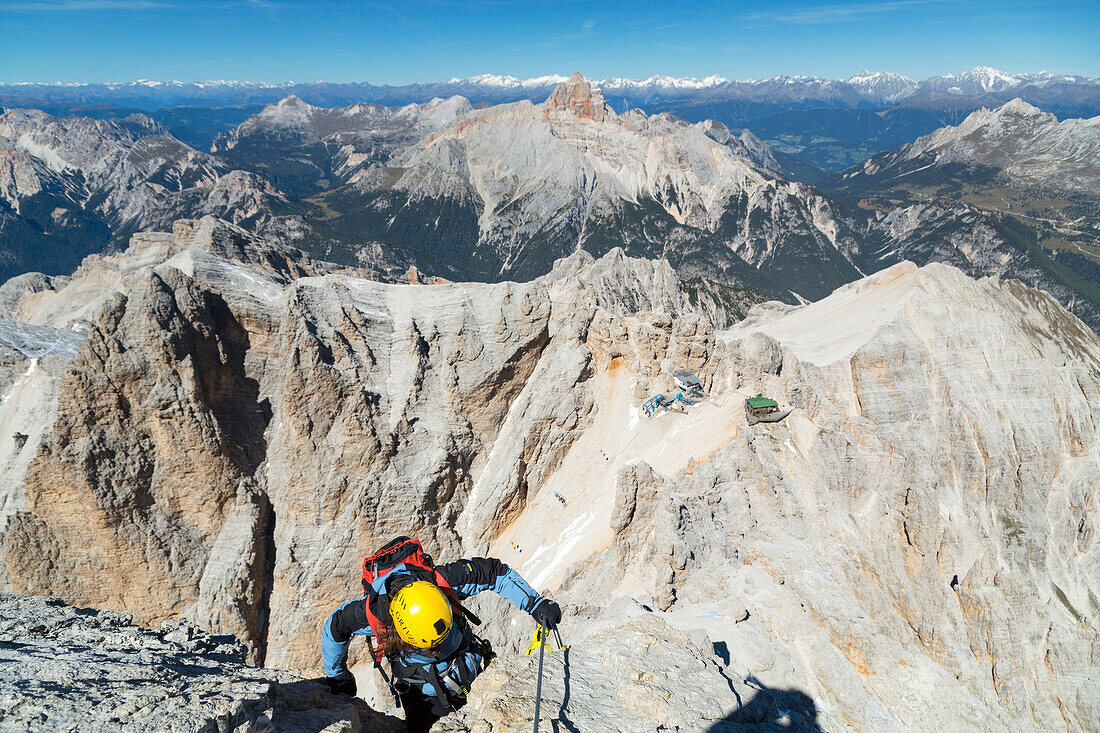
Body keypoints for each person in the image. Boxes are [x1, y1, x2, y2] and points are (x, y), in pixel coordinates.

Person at [320, 536, 562, 732]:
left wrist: (535, 603)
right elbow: (335, 625)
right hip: (423, 695)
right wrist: (337, 675)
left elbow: (493, 572)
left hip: (467, 667)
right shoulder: (376, 613)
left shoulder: (442, 581)